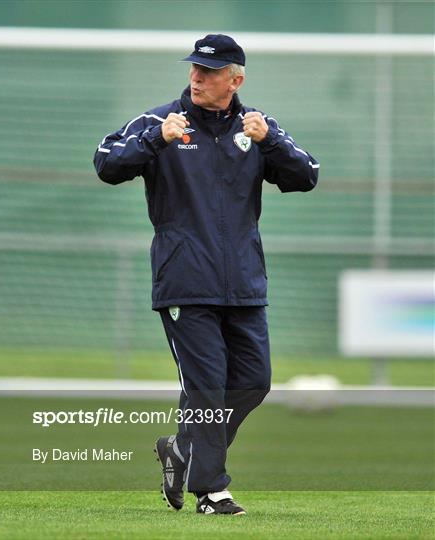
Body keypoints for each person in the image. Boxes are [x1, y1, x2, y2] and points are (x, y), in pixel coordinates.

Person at [93, 34, 319, 515]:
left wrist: (270, 141)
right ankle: (212, 492)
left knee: (254, 382)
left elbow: (306, 175)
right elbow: (107, 164)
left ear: (235, 79)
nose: (196, 77)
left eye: (209, 72)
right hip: (185, 282)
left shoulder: (257, 127)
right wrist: (157, 139)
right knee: (207, 388)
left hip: (244, 283)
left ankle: (181, 449)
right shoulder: (161, 121)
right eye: (194, 69)